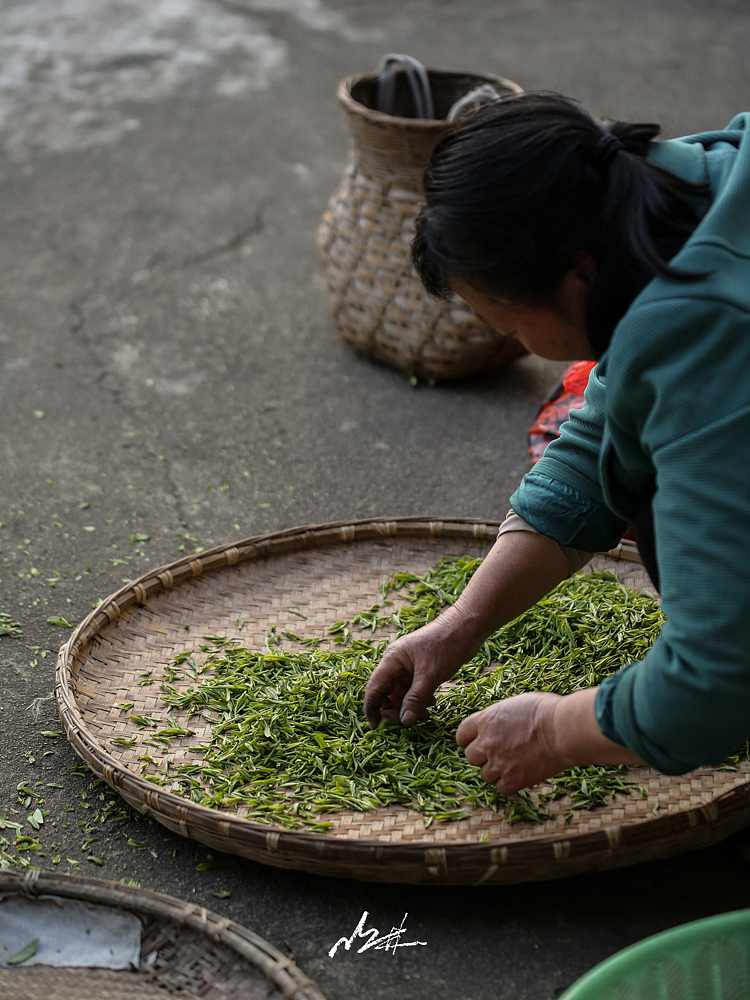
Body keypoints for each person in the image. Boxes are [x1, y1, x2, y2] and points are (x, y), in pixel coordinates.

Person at [363, 93, 750, 797]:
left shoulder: (708, 339)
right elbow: (595, 446)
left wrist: (557, 729)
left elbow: (715, 685)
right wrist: (461, 624)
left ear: (576, 276)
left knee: (660, 503)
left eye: (507, 324)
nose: (520, 347)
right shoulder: (683, 186)